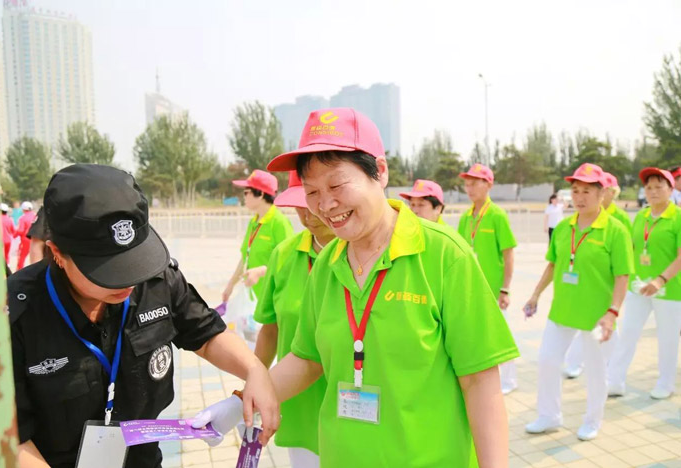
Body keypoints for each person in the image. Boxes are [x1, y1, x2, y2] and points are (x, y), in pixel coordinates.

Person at [194, 108, 519, 467]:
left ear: (380, 171)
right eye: (312, 191)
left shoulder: (445, 256)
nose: (324, 205)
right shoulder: (328, 264)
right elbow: (306, 359)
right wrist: (239, 403)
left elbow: (480, 382)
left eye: (336, 185)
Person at [9, 164, 279, 468]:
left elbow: (206, 334)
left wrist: (254, 370)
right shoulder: (12, 317)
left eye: (134, 261)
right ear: (57, 253)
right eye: (108, 271)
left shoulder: (156, 280)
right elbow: (6, 440)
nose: (128, 281)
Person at [523, 163, 633, 441]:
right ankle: (549, 415)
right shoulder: (564, 228)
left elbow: (622, 276)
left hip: (597, 316)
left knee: (596, 372)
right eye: (575, 191)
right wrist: (535, 294)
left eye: (586, 191)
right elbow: (553, 265)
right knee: (548, 360)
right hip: (562, 310)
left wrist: (612, 312)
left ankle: (593, 420)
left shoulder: (615, 230)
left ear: (601, 193)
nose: (579, 197)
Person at [251, 171, 334, 468]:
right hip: (299, 404)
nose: (307, 214)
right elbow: (270, 330)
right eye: (300, 204)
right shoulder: (284, 255)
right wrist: (251, 390)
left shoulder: (360, 255)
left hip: (353, 406)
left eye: (313, 201)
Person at [608, 168, 681, 399]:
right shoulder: (642, 216)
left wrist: (660, 280)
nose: (653, 191)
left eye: (659, 187)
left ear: (671, 189)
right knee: (628, 333)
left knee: (668, 338)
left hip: (669, 289)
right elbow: (632, 248)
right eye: (648, 187)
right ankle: (615, 381)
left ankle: (666, 383)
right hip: (639, 286)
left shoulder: (678, 217)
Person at [563, 171, 633, 379]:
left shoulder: (619, 218)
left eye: (610, 190)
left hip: (610, 280)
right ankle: (577, 363)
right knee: (587, 325)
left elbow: (627, 249)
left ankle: (610, 369)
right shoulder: (584, 215)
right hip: (588, 280)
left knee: (607, 325)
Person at [457, 164, 519, 394]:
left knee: (499, 333)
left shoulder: (497, 216)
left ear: (489, 185)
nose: (469, 188)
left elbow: (508, 254)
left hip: (494, 288)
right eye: (467, 184)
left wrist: (505, 288)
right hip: (472, 288)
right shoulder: (465, 217)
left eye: (475, 183)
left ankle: (509, 380)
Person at [222, 170, 294, 304]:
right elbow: (245, 257)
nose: (244, 197)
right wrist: (231, 285)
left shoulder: (279, 223)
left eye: (246, 193)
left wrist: (261, 272)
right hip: (254, 298)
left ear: (260, 194)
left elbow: (290, 261)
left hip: (274, 299)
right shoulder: (254, 222)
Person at [15, 201, 36, 270]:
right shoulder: (36, 216)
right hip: (36, 239)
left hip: (25, 240)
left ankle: (19, 271)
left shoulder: (22, 218)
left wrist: (14, 235)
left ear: (23, 209)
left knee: (22, 257)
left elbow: (20, 230)